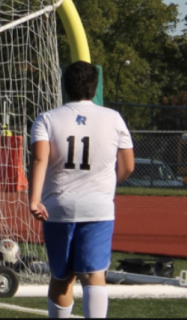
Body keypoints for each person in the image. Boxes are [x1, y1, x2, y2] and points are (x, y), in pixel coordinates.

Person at [30, 62, 135, 320]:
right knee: (95, 274)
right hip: (98, 207)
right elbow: (128, 166)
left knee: (61, 276)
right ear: (95, 86)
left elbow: (40, 159)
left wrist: (34, 199)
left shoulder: (47, 118)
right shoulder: (113, 118)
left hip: (58, 208)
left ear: (64, 86)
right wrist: (107, 186)